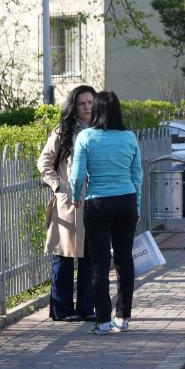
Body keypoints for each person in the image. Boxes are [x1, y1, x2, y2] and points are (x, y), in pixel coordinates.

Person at [70, 91, 143, 335]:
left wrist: (76, 196)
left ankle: (102, 321)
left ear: (97, 110)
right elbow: (137, 175)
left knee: (99, 264)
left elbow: (77, 175)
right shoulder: (130, 137)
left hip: (98, 203)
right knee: (124, 261)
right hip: (126, 201)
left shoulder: (86, 136)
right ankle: (123, 318)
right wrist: (137, 205)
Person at [39, 85, 97, 321]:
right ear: (74, 106)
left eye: (90, 102)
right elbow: (44, 162)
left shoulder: (101, 129)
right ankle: (61, 310)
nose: (87, 107)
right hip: (68, 203)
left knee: (90, 257)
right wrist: (58, 186)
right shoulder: (63, 131)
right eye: (82, 103)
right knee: (63, 256)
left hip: (94, 200)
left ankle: (86, 308)